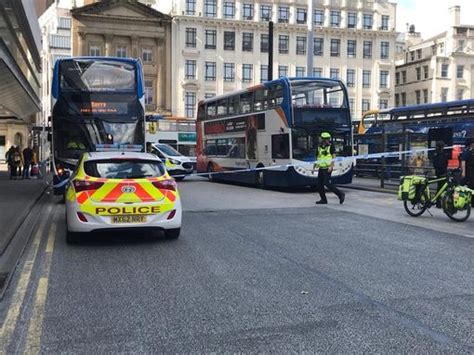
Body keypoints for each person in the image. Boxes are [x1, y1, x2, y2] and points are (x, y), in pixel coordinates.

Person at [315, 132, 345, 205]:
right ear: (323, 140)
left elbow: (334, 157)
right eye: (327, 139)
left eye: (328, 139)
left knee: (327, 183)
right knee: (319, 185)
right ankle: (323, 199)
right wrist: (316, 165)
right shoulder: (319, 147)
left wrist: (331, 166)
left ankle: (340, 194)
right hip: (321, 168)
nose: (328, 140)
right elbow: (317, 156)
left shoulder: (331, 147)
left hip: (327, 168)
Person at [432, 141, 448, 208]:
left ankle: (439, 202)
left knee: (440, 187)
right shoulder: (441, 154)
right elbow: (443, 163)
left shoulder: (436, 154)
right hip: (441, 172)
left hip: (439, 172)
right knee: (441, 187)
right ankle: (439, 202)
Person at [461, 138, 474, 205]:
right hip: (469, 170)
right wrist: (463, 172)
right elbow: (463, 162)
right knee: (470, 185)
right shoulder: (466, 151)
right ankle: (469, 201)